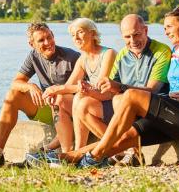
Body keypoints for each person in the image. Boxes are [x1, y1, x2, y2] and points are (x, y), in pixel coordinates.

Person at [66, 7, 179, 168]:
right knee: (124, 137)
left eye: (169, 27)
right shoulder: (176, 51)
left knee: (130, 95)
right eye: (164, 28)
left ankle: (94, 156)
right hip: (173, 114)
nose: (166, 32)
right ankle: (67, 158)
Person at [73, 14, 171, 165]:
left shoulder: (161, 51)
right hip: (123, 110)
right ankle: (121, 150)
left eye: (137, 34)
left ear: (145, 30)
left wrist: (119, 88)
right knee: (84, 105)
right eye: (127, 37)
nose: (132, 41)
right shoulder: (122, 55)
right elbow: (109, 91)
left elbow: (153, 90)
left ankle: (132, 154)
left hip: (151, 109)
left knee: (121, 98)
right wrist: (90, 91)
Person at [0, 22, 80, 167]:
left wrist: (60, 92)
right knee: (12, 95)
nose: (47, 43)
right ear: (31, 44)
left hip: (68, 111)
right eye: (41, 40)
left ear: (53, 35)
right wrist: (30, 86)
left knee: (60, 98)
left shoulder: (72, 57)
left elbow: (84, 90)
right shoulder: (34, 56)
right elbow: (16, 82)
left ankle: (63, 154)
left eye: (49, 37)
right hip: (47, 109)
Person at [40, 18, 116, 152]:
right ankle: (66, 150)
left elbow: (101, 89)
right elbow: (68, 88)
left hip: (110, 103)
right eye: (73, 35)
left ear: (92, 34)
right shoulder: (83, 59)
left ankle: (78, 150)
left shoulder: (108, 54)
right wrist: (54, 92)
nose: (76, 38)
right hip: (93, 103)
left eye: (80, 32)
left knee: (80, 97)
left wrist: (59, 88)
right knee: (60, 99)